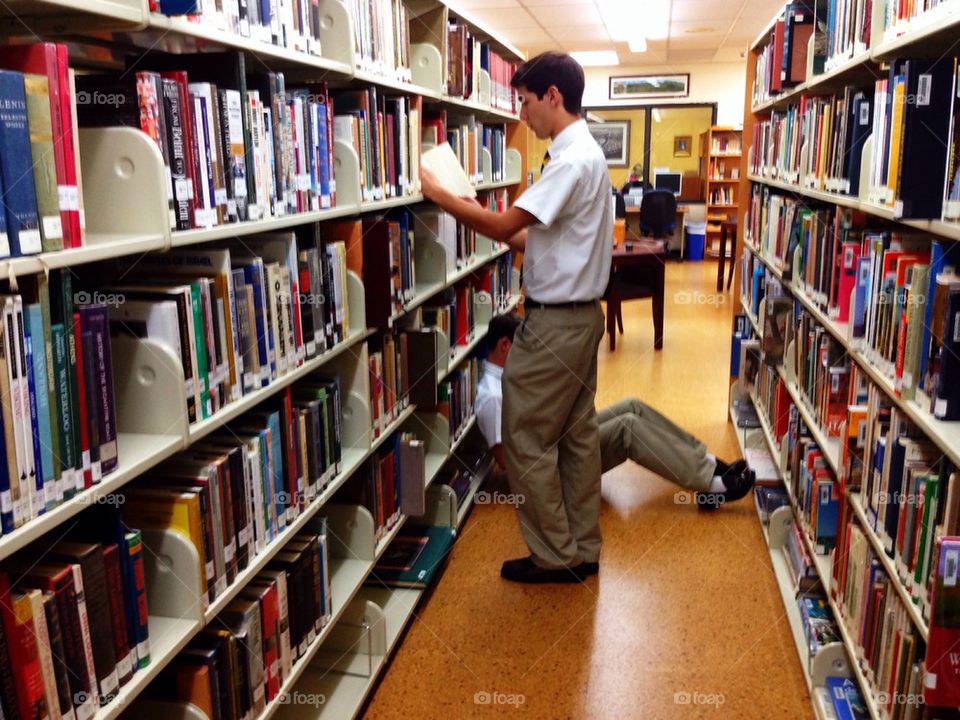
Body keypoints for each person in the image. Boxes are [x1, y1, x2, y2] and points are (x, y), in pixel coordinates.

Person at [420, 51, 611, 584]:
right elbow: (537, 236)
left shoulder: (571, 159)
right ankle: (582, 545)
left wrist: (442, 197)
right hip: (580, 317)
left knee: (523, 436)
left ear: (553, 96)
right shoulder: (584, 155)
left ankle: (555, 555)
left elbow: (505, 229)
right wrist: (475, 207)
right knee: (575, 436)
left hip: (555, 327)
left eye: (526, 102)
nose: (522, 115)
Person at [475, 314, 756, 516]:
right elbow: (508, 462)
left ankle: (707, 462)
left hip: (557, 442)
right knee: (628, 429)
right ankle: (712, 486)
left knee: (632, 405)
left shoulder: (509, 378)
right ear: (504, 346)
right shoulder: (493, 395)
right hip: (554, 469)